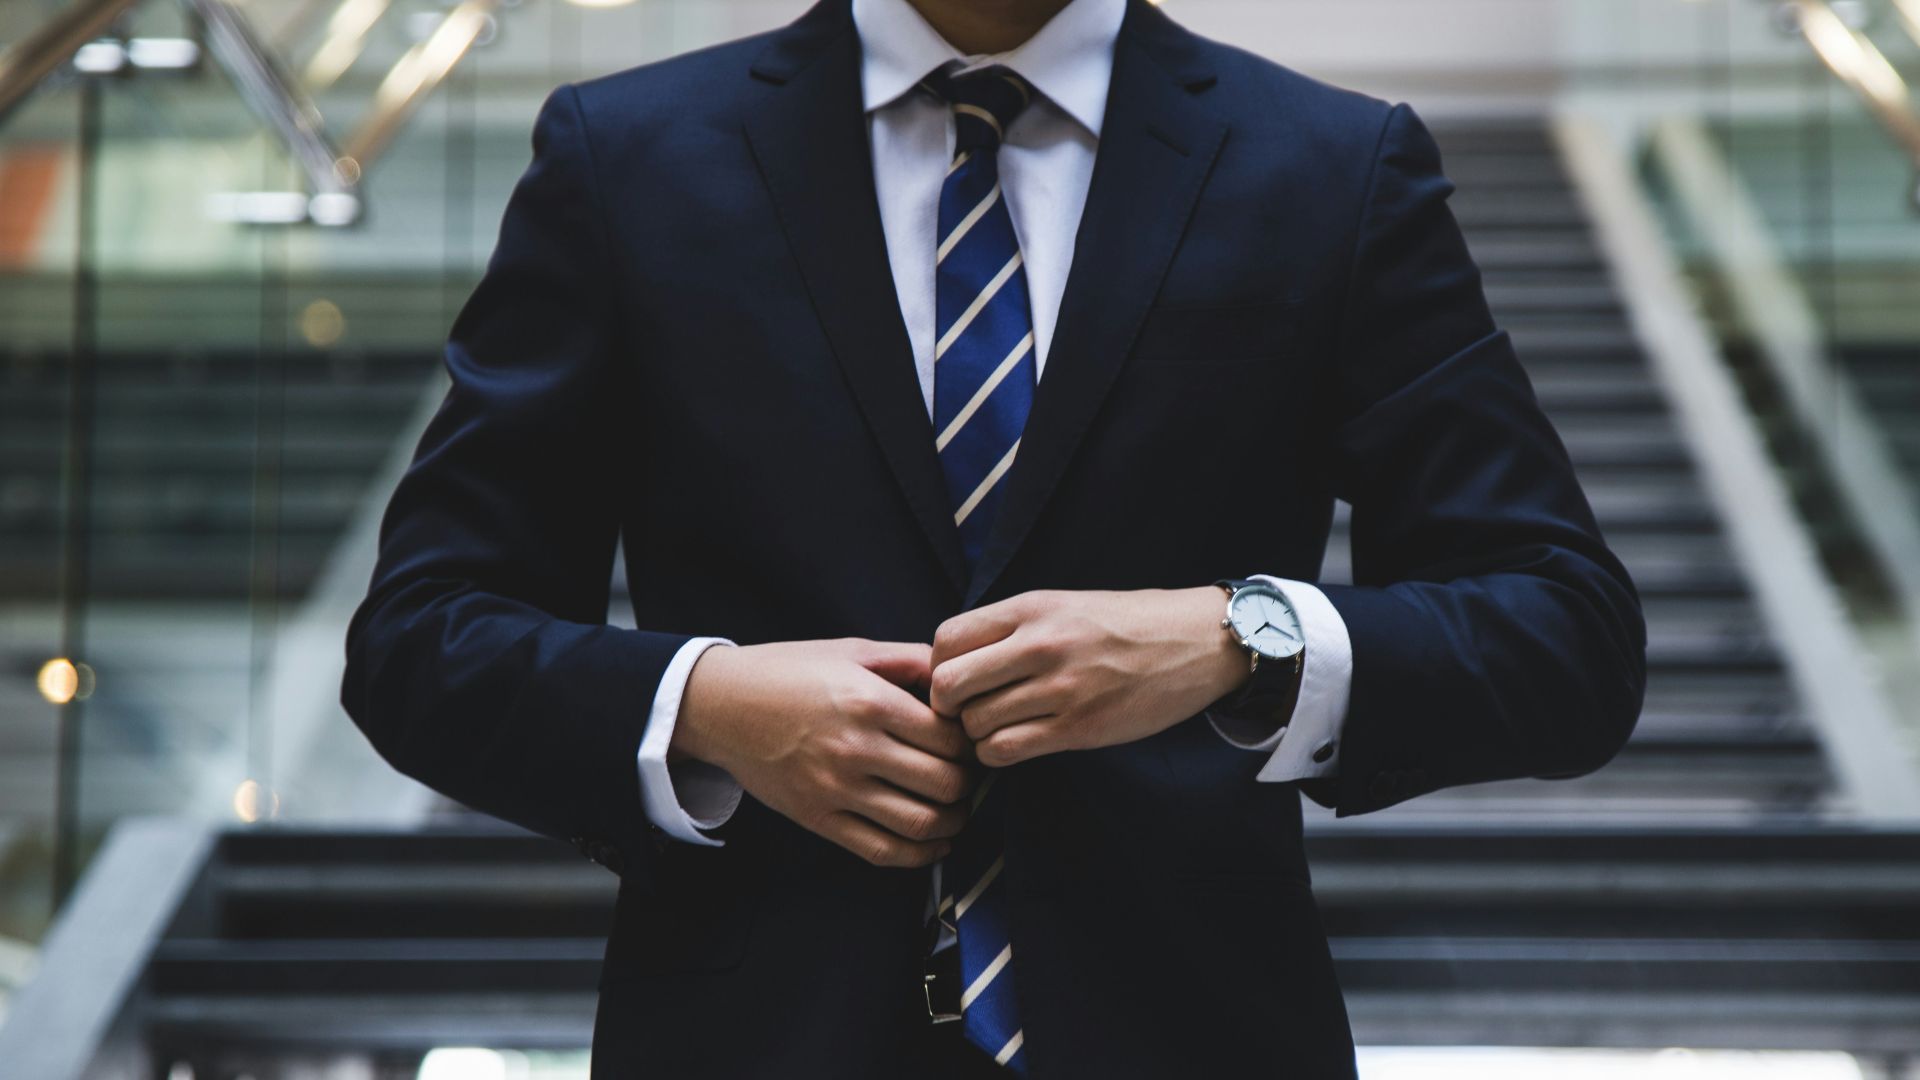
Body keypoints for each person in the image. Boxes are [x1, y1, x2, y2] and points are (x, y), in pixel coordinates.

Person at [342, 0, 1648, 1075]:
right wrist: (708, 704)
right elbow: (421, 638)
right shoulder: (624, 158)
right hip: (752, 1036)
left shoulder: (1331, 167)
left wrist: (1239, 635)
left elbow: (1565, 633)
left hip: (1195, 1036)